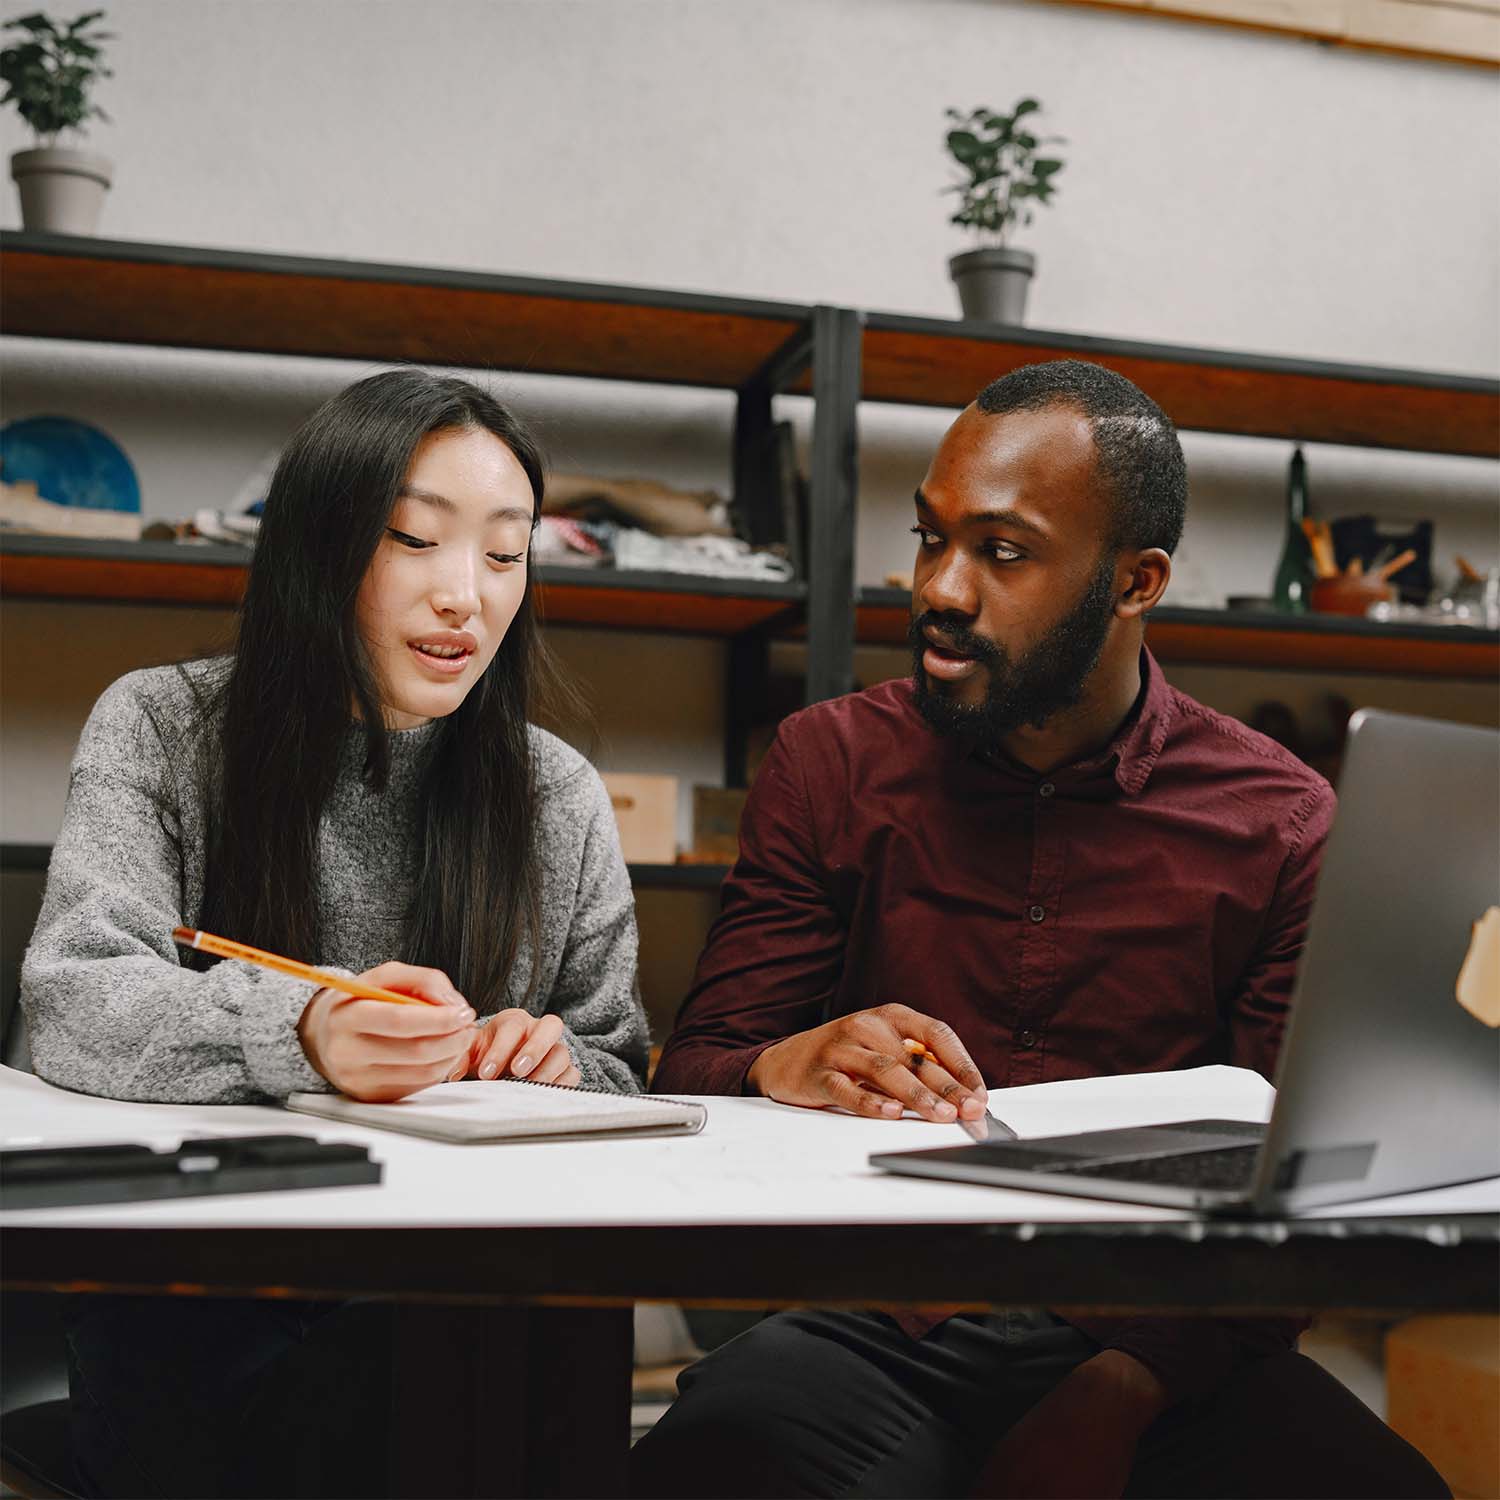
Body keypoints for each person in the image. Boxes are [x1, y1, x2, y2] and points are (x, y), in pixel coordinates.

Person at [633, 360, 1447, 1499]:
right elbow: (696, 1070)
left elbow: (1290, 1200)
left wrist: (1119, 1391)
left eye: (1002, 552)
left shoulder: (1285, 822)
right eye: (930, 537)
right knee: (714, 1468)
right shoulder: (830, 763)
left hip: (1167, 1340)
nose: (941, 589)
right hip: (877, 1324)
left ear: (1135, 581)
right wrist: (780, 1061)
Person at [21, 369, 649, 1498]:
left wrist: (563, 1066)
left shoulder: (556, 794)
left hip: (456, 1297)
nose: (467, 595)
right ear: (320, 546)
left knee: (511, 1345)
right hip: (202, 1294)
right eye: (416, 539)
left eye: (505, 556)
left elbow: (619, 1058)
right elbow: (73, 996)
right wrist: (303, 1027)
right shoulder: (164, 729)